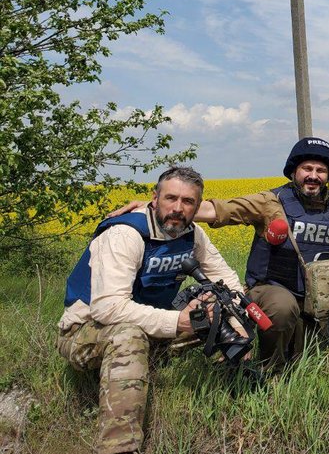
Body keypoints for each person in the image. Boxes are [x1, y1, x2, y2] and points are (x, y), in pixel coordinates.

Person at [110, 137, 329, 370]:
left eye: (321, 170)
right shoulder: (271, 202)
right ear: (294, 171)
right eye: (307, 168)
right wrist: (156, 206)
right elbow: (218, 210)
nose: (313, 176)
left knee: (316, 357)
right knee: (283, 307)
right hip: (272, 290)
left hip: (313, 294)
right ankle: (271, 370)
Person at [57, 166, 247, 454]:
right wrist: (178, 322)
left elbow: (227, 279)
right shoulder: (125, 234)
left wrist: (235, 316)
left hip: (148, 323)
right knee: (128, 336)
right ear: (154, 198)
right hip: (84, 331)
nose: (178, 208)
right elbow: (108, 309)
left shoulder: (191, 234)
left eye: (188, 202)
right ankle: (119, 446)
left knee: (218, 307)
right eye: (171, 198)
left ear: (198, 206)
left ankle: (235, 395)